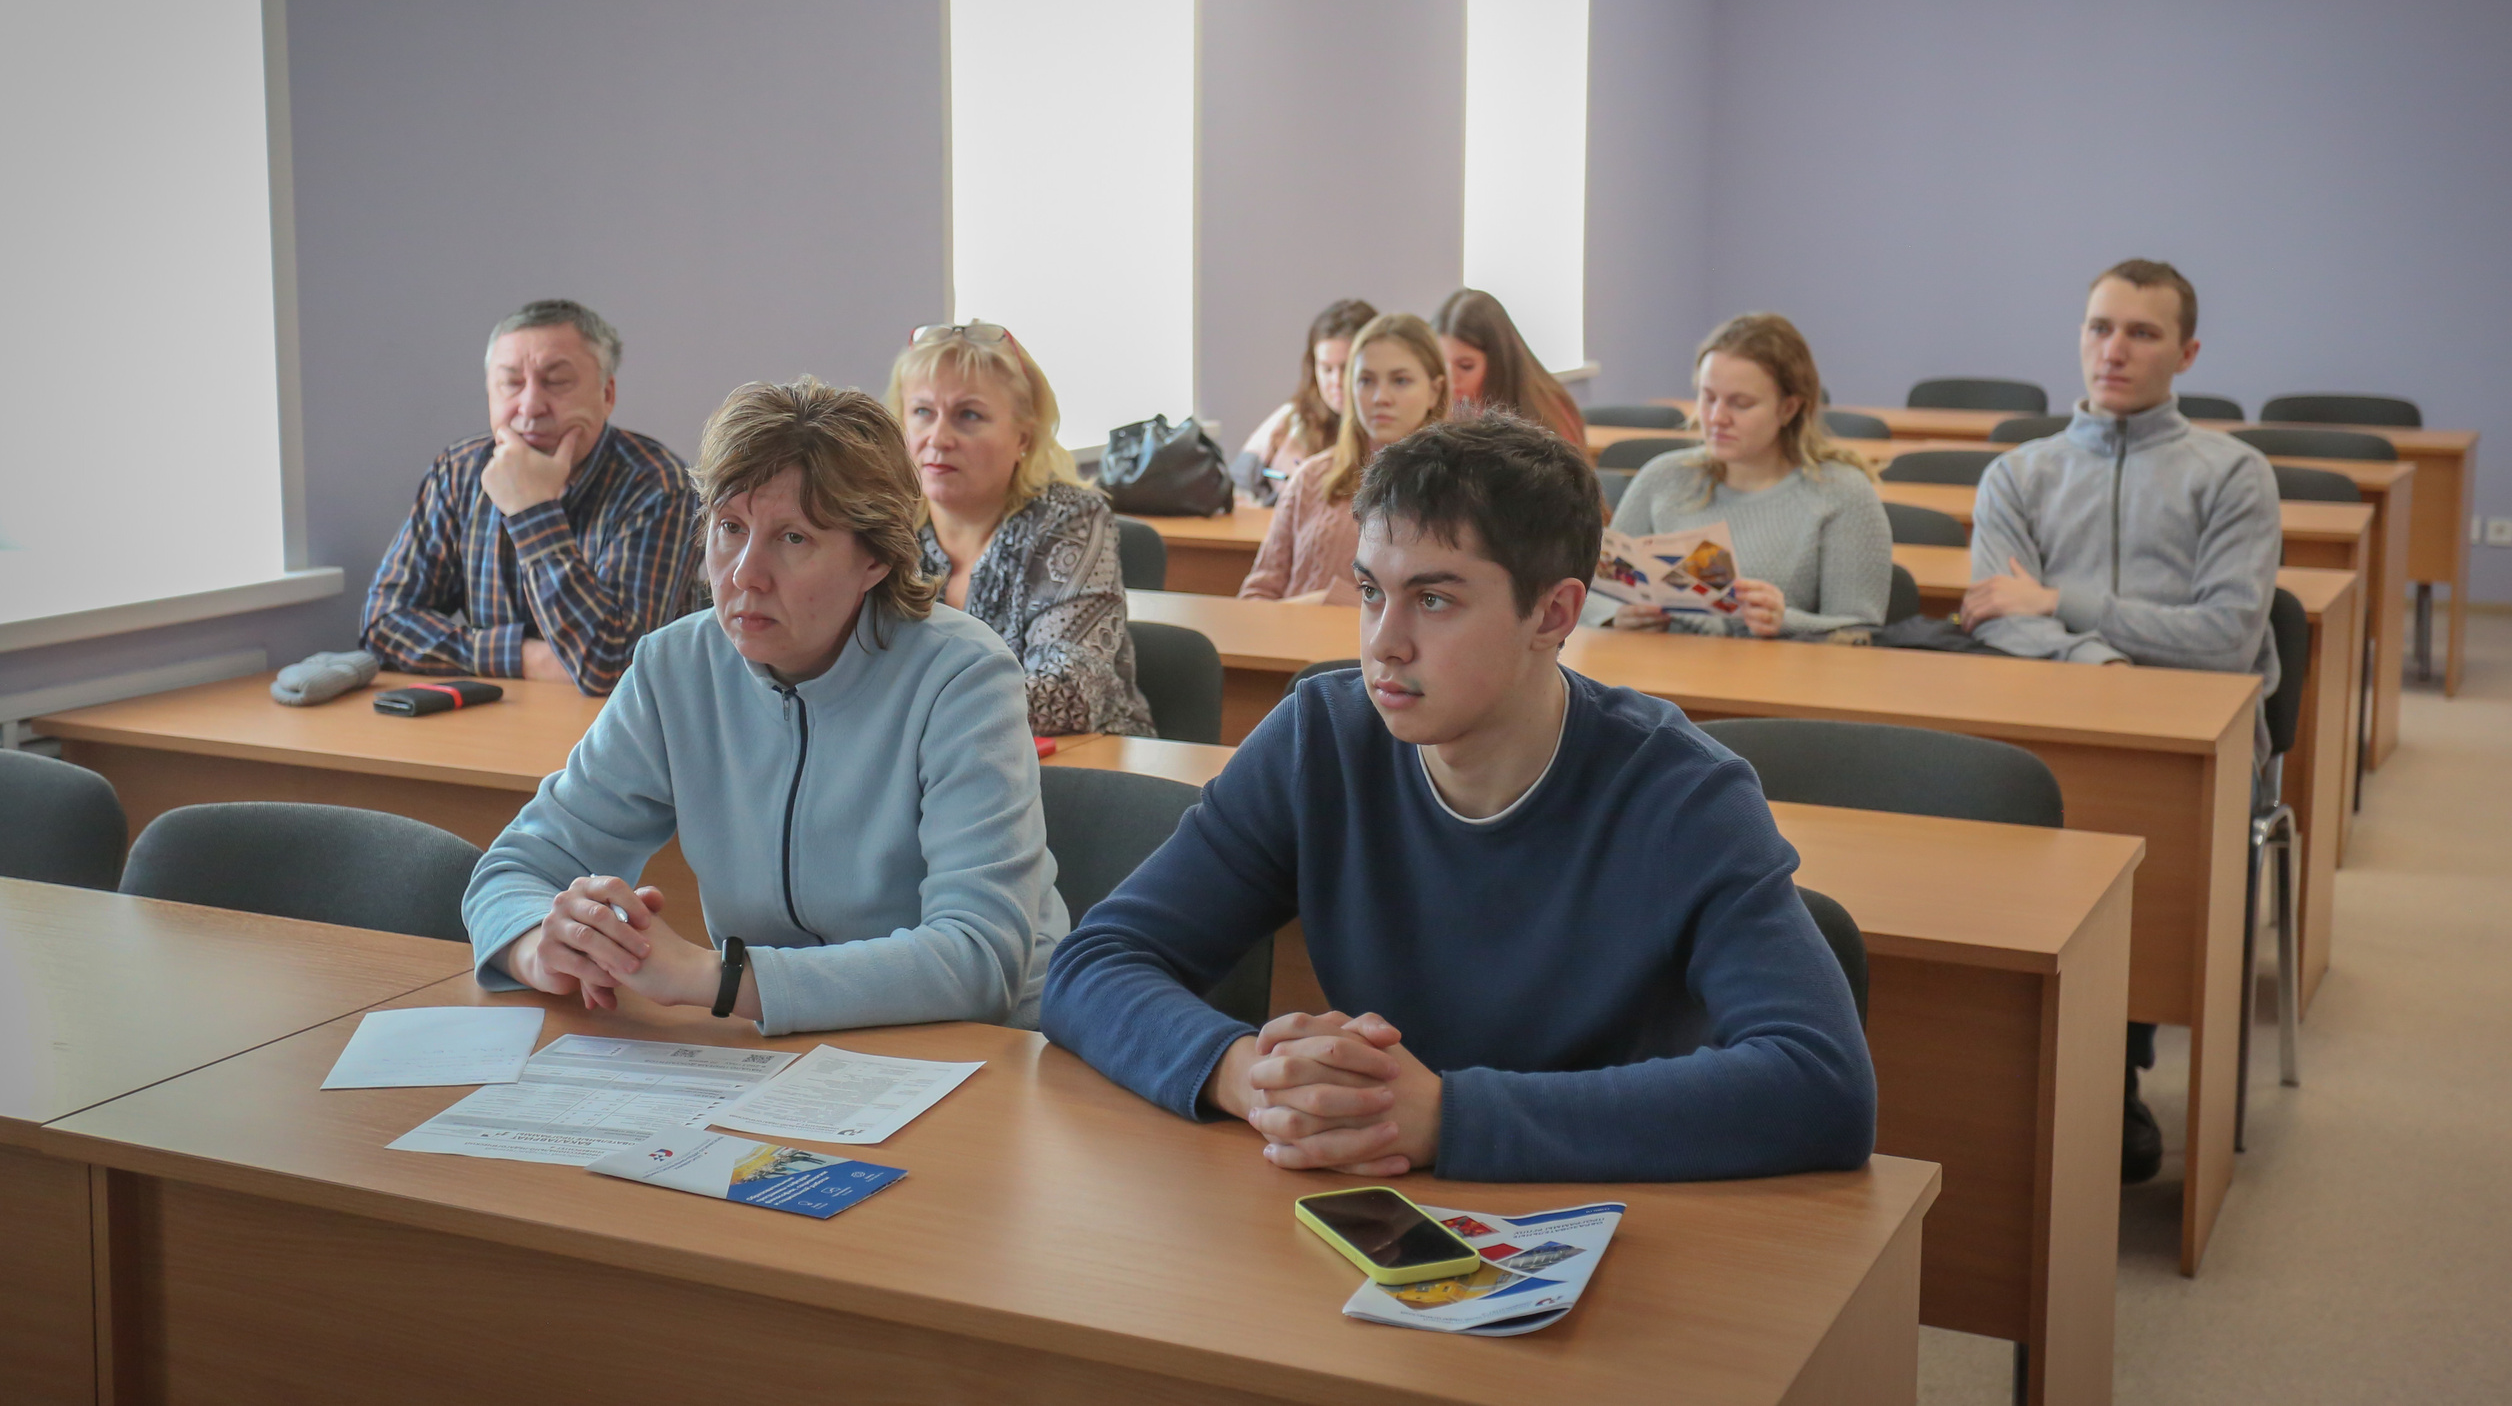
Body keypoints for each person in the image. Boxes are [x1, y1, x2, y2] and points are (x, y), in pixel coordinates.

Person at [1044, 413, 1875, 1183]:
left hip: (1617, 1219)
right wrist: (1250, 1076)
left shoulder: (1683, 792)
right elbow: (1094, 963)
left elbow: (1822, 1081)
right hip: (1379, 1209)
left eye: (1434, 599)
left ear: (1552, 613)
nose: (1383, 642)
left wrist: (1450, 1116)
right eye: (1371, 591)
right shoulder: (1318, 740)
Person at [462, 378, 1069, 1034]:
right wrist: (543, 945)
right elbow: (515, 869)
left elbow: (979, 960)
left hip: (980, 1049)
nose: (744, 573)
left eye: (794, 538)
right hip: (775, 1049)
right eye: (730, 527)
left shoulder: (962, 676)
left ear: (875, 558)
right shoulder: (675, 668)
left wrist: (716, 978)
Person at [1961, 257, 2280, 1186]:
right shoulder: (2018, 474)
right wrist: (2104, 661)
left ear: (2186, 353)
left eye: (2142, 332)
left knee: (2127, 828)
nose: (2115, 349)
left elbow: (2225, 636)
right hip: (2046, 728)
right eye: (2101, 327)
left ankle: (2115, 1072)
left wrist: (2060, 601)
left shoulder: (2233, 475)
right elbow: (1997, 617)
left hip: (2197, 753)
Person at [361, 299, 698, 696]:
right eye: (511, 383)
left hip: (627, 726)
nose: (531, 406)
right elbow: (382, 625)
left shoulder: (657, 483)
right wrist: (526, 657)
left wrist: (532, 511)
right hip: (501, 718)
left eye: (557, 381)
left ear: (606, 394)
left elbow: (615, 665)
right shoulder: (460, 472)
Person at [886, 321, 1153, 738]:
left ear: (1023, 437)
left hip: (1078, 763)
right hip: (926, 758)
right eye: (922, 412)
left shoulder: (1071, 518)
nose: (938, 438)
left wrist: (907, 704)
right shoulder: (883, 522)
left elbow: (1069, 694)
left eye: (968, 415)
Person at [1599, 314, 1890, 640]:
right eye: (1708, 397)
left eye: (1741, 404)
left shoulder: (1842, 494)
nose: (1716, 417)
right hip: (1661, 667)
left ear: (1789, 409)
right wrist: (1616, 617)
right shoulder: (1661, 478)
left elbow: (1860, 631)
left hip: (1781, 669)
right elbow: (1597, 593)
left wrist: (1785, 621)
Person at [1238, 313, 1449, 604]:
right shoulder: (1312, 476)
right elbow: (1256, 593)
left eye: (1400, 381)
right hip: (1290, 632)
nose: (1380, 397)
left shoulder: (1454, 490)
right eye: (1366, 380)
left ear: (1434, 391)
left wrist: (1327, 602)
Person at [1235, 298, 1377, 505]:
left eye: (1346, 368)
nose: (1337, 381)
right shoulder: (1293, 418)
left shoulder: (1387, 425)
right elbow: (1239, 482)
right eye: (1327, 369)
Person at [1433, 287, 1587, 448]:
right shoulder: (1447, 409)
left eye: (1466, 366)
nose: (1451, 380)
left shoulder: (1548, 413)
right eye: (1442, 364)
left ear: (1498, 359)